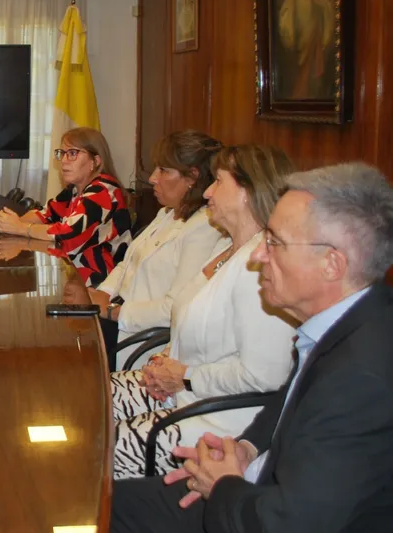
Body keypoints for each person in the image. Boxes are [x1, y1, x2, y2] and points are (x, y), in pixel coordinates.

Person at [111, 162, 393, 533]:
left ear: (331, 264)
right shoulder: (353, 317)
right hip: (249, 488)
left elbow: (289, 523)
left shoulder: (361, 378)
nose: (258, 255)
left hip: (253, 510)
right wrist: (246, 448)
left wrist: (223, 485)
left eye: (274, 242)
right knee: (105, 501)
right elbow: (286, 400)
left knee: (99, 510)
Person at [109, 144, 297, 479]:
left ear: (247, 192)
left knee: (95, 447)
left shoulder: (261, 267)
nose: (207, 191)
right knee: (90, 399)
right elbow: (189, 319)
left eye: (218, 182)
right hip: (181, 393)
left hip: (218, 422)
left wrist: (185, 375)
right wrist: (165, 359)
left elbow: (265, 376)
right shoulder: (226, 247)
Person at [90, 131, 227, 369]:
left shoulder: (204, 226)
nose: (153, 178)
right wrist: (101, 294)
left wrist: (113, 312)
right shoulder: (167, 212)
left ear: (192, 177)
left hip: (136, 337)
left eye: (163, 170)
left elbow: (174, 308)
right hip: (114, 317)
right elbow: (127, 263)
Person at [0, 126, 132, 287]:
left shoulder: (103, 191)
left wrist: (21, 228)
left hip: (102, 282)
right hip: (75, 274)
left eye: (72, 153)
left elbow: (67, 234)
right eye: (62, 153)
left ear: (95, 161)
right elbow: (45, 214)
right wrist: (10, 223)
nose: (64, 160)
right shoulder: (75, 189)